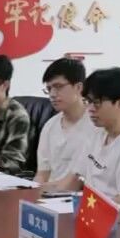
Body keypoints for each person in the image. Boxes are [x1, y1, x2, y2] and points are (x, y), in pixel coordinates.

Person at [44, 67, 120, 206]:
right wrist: (35, 192)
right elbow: (73, 180)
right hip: (87, 209)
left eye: (97, 103)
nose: (90, 109)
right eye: (88, 102)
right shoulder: (96, 132)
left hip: (108, 214)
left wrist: (88, 208)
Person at [33, 57, 95, 185]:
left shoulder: (96, 124)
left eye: (58, 87)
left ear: (78, 87)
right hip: (49, 192)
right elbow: (42, 174)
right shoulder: (50, 125)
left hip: (76, 194)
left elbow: (76, 183)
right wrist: (34, 191)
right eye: (49, 89)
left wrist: (42, 189)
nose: (52, 94)